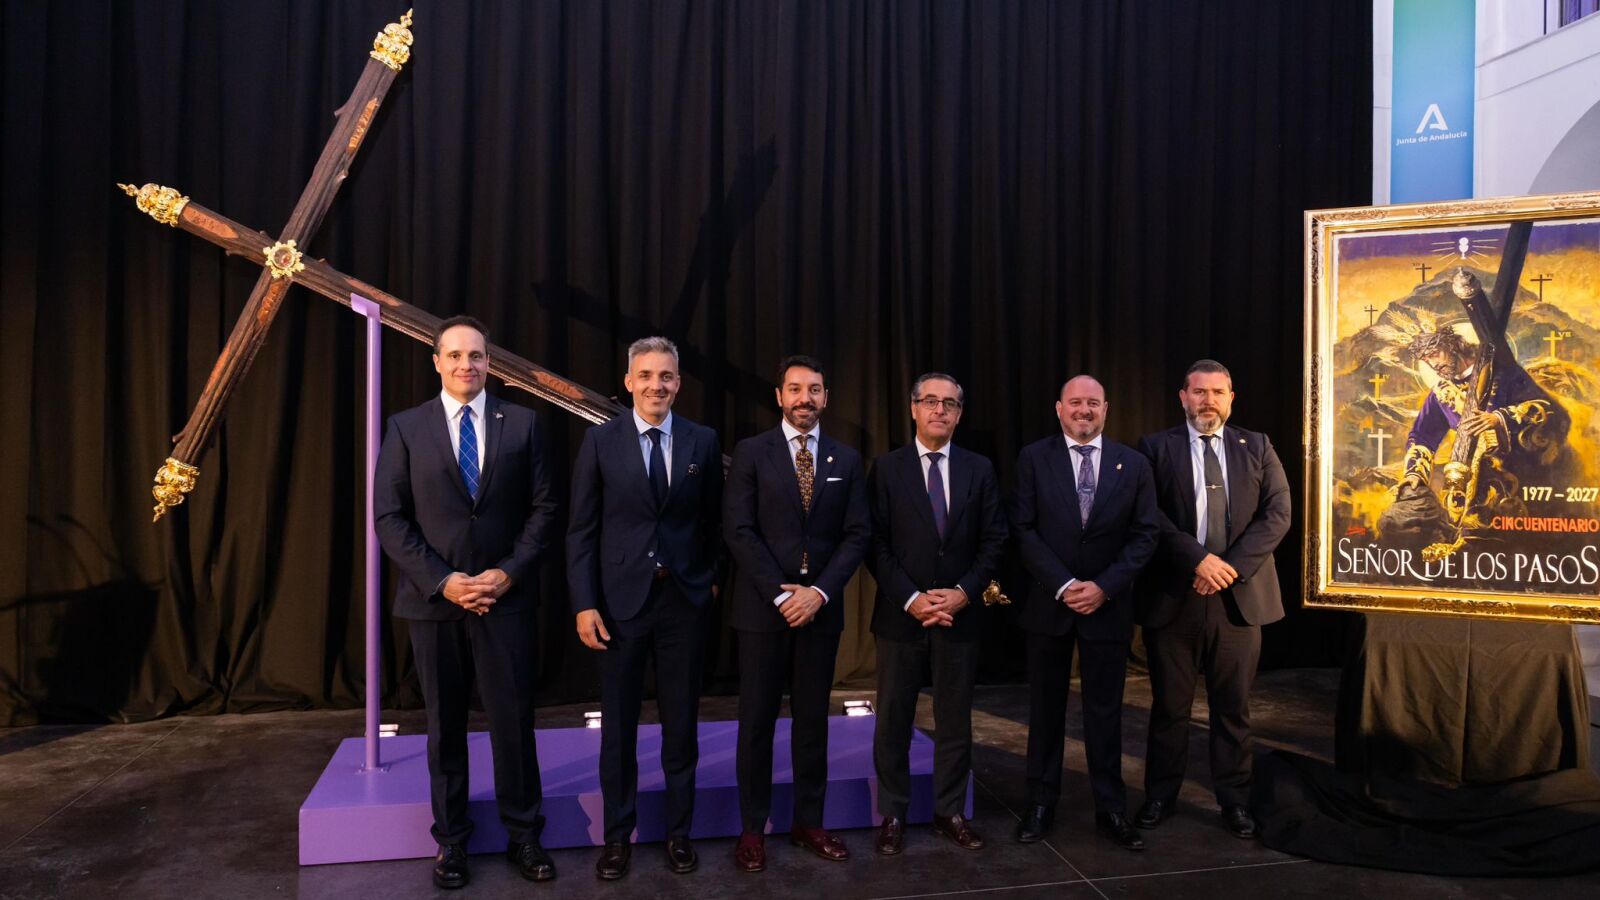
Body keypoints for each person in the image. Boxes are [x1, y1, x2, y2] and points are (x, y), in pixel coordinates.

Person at [373, 316, 560, 889]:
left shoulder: (523, 424)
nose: (465, 365)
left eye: (475, 355)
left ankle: (524, 835)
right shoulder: (406, 428)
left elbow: (545, 509)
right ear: (436, 362)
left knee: (513, 724)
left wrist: (507, 573)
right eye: (454, 355)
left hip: (506, 600)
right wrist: (445, 580)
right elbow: (390, 518)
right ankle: (452, 841)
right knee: (444, 727)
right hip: (435, 604)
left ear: (489, 362)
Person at [567, 336, 724, 881]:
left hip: (683, 604)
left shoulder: (703, 441)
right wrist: (585, 603)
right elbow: (581, 531)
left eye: (667, 376)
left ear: (678, 383)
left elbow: (713, 522)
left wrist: (709, 581)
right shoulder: (600, 441)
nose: (657, 385)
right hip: (619, 607)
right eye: (647, 375)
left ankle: (679, 833)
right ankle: (617, 837)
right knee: (619, 731)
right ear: (629, 381)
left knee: (681, 726)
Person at [725, 355, 871, 872]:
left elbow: (858, 534)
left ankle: (809, 822)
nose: (804, 398)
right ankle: (752, 828)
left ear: (826, 397)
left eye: (814, 389)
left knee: (812, 723)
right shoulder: (752, 452)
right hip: (763, 611)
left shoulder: (846, 458)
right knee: (756, 723)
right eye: (794, 389)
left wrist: (819, 593)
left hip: (821, 612)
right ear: (779, 396)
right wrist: (783, 595)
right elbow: (738, 529)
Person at [1135, 359, 1290, 840]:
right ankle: (1161, 795)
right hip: (1176, 596)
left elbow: (1278, 513)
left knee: (1233, 708)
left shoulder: (1258, 446)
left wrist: (1229, 568)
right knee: (1169, 708)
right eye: (1199, 392)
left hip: (1238, 599)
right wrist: (1198, 561)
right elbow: (1148, 514)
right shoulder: (1155, 448)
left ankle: (1235, 801)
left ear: (1231, 399)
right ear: (1183, 397)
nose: (1208, 401)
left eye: (1217, 392)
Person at [1010, 375, 1158, 851]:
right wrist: (1064, 585)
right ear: (1059, 408)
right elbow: (1023, 529)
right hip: (1049, 604)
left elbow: (1145, 535)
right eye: (1075, 402)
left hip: (1107, 607)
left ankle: (1111, 808)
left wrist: (1104, 587)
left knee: (1105, 713)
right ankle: (1040, 804)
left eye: (1093, 403)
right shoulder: (1033, 458)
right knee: (1045, 711)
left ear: (1106, 409)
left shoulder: (1134, 464)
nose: (1084, 410)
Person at [867, 373, 1008, 855]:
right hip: (900, 615)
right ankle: (893, 813)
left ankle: (950, 811)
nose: (939, 410)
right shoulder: (886, 469)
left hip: (960, 615)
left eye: (949, 403)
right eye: (930, 401)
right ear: (913, 409)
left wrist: (963, 593)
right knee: (893, 720)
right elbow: (875, 543)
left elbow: (995, 539)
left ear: (959, 414)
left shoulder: (979, 469)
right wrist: (912, 598)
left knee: (955, 720)